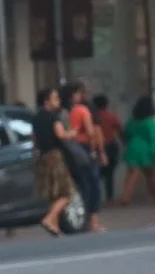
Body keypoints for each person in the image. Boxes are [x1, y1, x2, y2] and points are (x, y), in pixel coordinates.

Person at [32, 87, 77, 237]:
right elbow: (61, 135)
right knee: (66, 192)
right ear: (47, 101)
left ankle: (55, 227)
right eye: (55, 98)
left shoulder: (36, 118)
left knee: (53, 194)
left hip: (43, 157)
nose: (58, 101)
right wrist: (72, 133)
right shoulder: (53, 117)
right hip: (55, 157)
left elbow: (34, 140)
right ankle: (49, 219)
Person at [62, 82, 105, 232]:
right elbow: (92, 132)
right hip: (85, 149)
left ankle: (83, 220)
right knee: (93, 185)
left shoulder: (65, 113)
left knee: (81, 184)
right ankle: (93, 221)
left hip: (72, 150)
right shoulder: (82, 110)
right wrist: (96, 150)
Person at [118, 95, 155, 205]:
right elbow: (153, 138)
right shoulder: (149, 121)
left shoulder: (131, 121)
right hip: (146, 150)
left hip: (132, 149)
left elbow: (125, 134)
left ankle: (126, 198)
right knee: (151, 175)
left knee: (131, 175)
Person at [92, 94, 123, 202]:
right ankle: (109, 198)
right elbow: (120, 129)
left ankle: (96, 198)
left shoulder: (92, 117)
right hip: (111, 146)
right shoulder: (111, 116)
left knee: (97, 173)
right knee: (109, 174)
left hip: (96, 147)